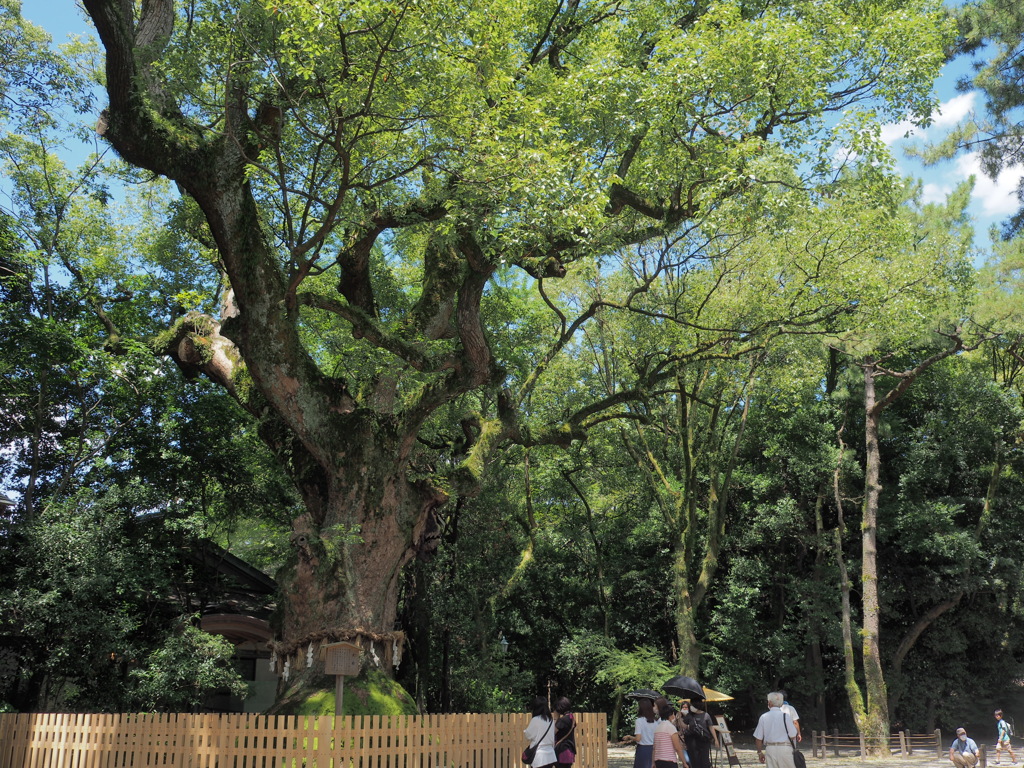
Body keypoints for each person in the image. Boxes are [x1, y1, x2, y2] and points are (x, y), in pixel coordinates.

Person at [753, 692, 798, 768]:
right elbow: (793, 735)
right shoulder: (785, 716)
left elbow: (758, 738)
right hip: (785, 748)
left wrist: (760, 753)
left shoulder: (763, 717)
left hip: (770, 749)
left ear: (769, 703)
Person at [680, 701, 718, 768]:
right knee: (695, 760)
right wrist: (680, 718)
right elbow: (684, 726)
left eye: (692, 705)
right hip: (692, 741)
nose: (690, 707)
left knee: (705, 760)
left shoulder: (706, 715)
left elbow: (711, 727)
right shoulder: (690, 715)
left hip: (704, 740)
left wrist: (716, 739)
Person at [623, 697, 658, 768]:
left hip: (643, 749)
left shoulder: (639, 721)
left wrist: (630, 737)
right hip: (654, 748)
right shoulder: (655, 722)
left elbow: (638, 738)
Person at [525, 696, 557, 768]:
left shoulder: (535, 720)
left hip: (539, 756)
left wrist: (525, 731)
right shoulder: (551, 720)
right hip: (550, 755)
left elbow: (528, 735)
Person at [653, 703, 689, 768]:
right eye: (673, 714)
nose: (674, 716)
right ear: (670, 715)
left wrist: (653, 762)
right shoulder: (671, 727)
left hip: (658, 760)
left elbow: (654, 748)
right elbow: (677, 747)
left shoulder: (657, 727)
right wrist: (684, 762)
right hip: (669, 760)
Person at [553, 697, 577, 768]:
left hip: (562, 751)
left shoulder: (562, 720)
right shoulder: (571, 717)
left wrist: (556, 718)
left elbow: (552, 732)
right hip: (570, 750)